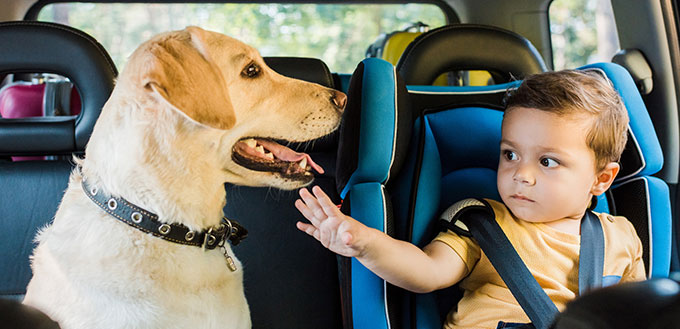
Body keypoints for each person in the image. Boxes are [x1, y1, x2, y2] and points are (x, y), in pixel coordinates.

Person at [294, 69, 646, 329]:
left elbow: (638, 315)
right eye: (510, 155)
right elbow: (427, 270)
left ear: (601, 180)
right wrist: (366, 243)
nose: (521, 174)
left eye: (547, 161)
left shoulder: (621, 237)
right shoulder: (480, 222)